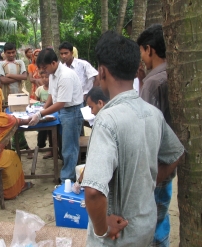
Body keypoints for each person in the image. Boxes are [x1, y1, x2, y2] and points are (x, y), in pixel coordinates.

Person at [81, 31, 184, 247]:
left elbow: (93, 192)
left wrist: (102, 229)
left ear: (102, 72)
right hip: (145, 226)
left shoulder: (107, 120)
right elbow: (175, 154)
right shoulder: (153, 114)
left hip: (118, 235)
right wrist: (150, 182)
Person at [137, 24, 173, 247]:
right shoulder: (170, 72)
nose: (141, 57)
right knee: (163, 211)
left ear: (148, 49)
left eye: (141, 51)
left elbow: (148, 126)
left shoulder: (153, 82)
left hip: (156, 162)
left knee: (154, 217)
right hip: (169, 158)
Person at [29, 48, 84, 183]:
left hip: (72, 111)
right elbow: (52, 95)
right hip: (63, 111)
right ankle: (68, 173)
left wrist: (40, 113)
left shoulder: (65, 75)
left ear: (53, 63)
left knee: (69, 147)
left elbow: (60, 103)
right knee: (63, 143)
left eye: (44, 67)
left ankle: (67, 179)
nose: (43, 71)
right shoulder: (53, 74)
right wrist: (43, 108)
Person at [0, 42, 32, 158]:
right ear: (5, 53)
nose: (11, 55)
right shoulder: (1, 64)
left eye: (13, 52)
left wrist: (9, 76)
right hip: (7, 98)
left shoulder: (20, 62)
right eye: (9, 53)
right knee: (9, 122)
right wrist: (14, 78)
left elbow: (24, 77)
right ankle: (13, 148)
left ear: (15, 51)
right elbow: (3, 80)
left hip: (19, 97)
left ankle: (22, 145)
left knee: (20, 121)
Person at [35, 70, 53, 159]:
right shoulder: (39, 89)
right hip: (42, 112)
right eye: (42, 77)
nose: (45, 79)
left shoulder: (53, 89)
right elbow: (36, 102)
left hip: (52, 112)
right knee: (42, 130)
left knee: (52, 132)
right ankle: (41, 145)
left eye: (47, 77)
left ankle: (52, 149)